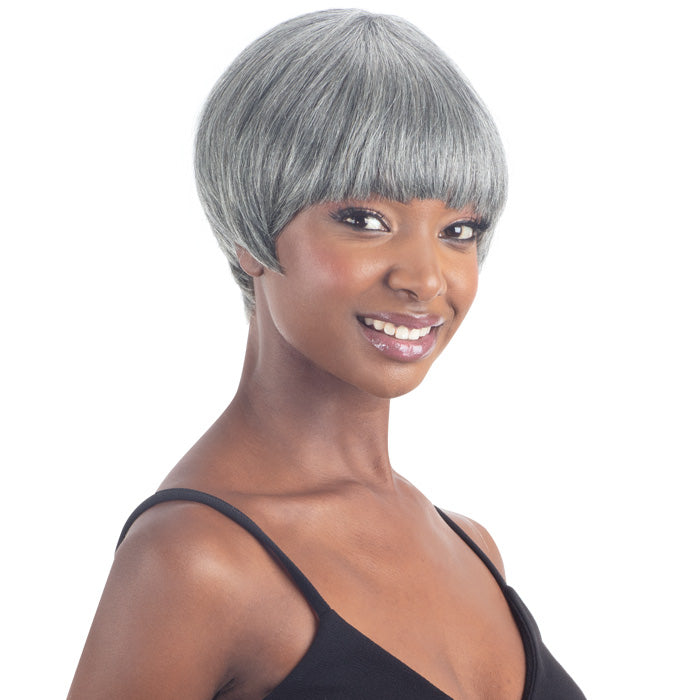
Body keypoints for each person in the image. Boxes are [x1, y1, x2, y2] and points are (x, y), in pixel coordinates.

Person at [68, 9, 585, 700]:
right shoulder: (195, 560)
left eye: (459, 230)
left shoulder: (473, 547)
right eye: (366, 220)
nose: (426, 279)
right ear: (250, 231)